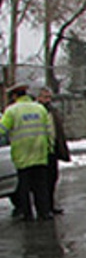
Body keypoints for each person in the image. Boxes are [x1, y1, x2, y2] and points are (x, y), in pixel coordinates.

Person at [1, 83, 54, 221]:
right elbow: (49, 131)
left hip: (22, 154)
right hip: (40, 153)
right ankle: (44, 212)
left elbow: (2, 130)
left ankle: (27, 213)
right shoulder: (40, 109)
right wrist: (49, 148)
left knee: (24, 186)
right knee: (41, 185)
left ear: (14, 96)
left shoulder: (11, 111)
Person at [37, 86, 71, 214]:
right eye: (45, 97)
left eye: (49, 97)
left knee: (52, 178)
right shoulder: (38, 111)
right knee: (42, 181)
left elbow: (58, 131)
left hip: (53, 150)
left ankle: (51, 205)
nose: (48, 99)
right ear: (39, 98)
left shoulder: (53, 111)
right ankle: (44, 207)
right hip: (40, 151)